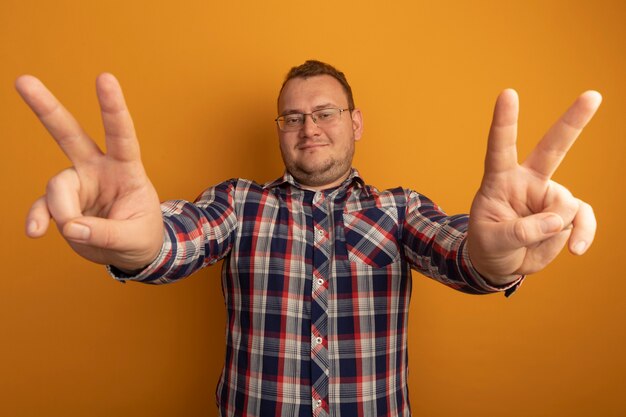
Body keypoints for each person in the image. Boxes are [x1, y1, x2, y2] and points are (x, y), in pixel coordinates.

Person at [16, 60, 601, 417]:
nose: (309, 128)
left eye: (325, 112)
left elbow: (464, 252)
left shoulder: (399, 209)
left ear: (355, 123)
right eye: (292, 118)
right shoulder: (239, 203)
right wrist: (141, 246)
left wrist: (497, 260)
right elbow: (177, 239)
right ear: (280, 131)